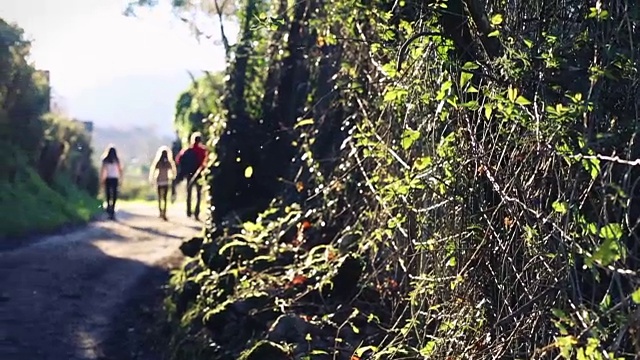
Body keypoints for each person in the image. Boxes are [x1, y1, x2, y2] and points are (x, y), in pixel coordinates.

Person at [175, 132, 207, 220]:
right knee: (199, 194)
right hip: (200, 174)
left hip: (189, 174)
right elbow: (206, 161)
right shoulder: (203, 150)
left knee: (188, 193)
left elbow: (178, 159)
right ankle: (197, 212)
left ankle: (188, 211)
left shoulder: (187, 150)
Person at [149, 146, 177, 220]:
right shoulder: (168, 162)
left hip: (159, 181)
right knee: (164, 198)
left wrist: (152, 179)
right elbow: (173, 171)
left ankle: (160, 211)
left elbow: (153, 171)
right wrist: (172, 177)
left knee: (159, 197)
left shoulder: (158, 162)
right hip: (166, 181)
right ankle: (164, 212)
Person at [100, 145, 123, 220]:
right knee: (114, 195)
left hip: (108, 178)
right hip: (115, 178)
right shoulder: (117, 160)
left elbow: (103, 170)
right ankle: (112, 209)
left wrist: (102, 179)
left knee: (108, 194)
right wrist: (121, 178)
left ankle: (108, 208)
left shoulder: (105, 160)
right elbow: (120, 170)